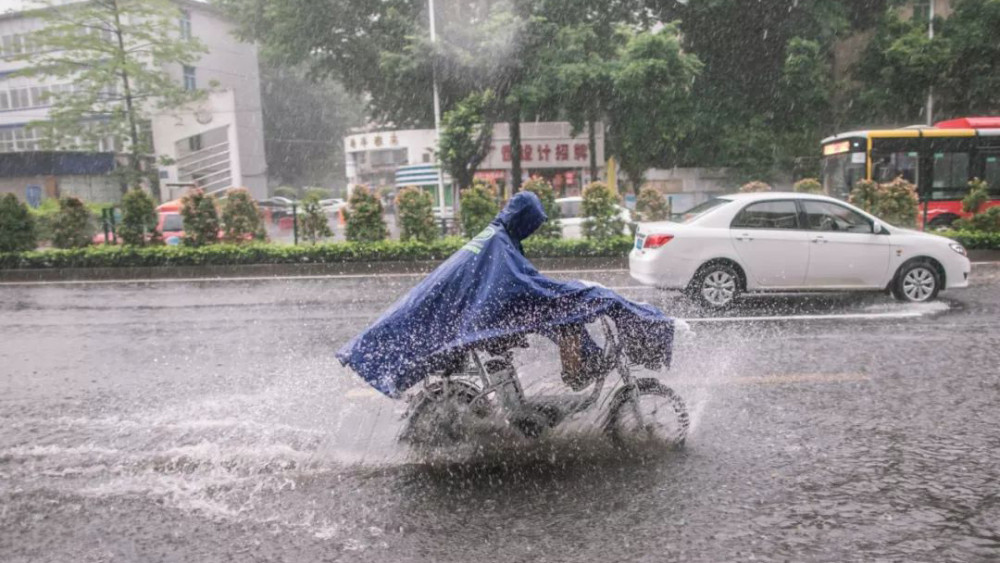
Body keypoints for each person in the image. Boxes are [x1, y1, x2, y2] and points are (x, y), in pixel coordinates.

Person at [337, 191, 675, 398]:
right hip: (479, 314)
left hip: (475, 310)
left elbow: (517, 279)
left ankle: (580, 368)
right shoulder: (499, 242)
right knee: (568, 313)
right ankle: (577, 373)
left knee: (565, 313)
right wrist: (565, 292)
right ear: (524, 219)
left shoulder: (497, 235)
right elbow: (519, 282)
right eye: (533, 223)